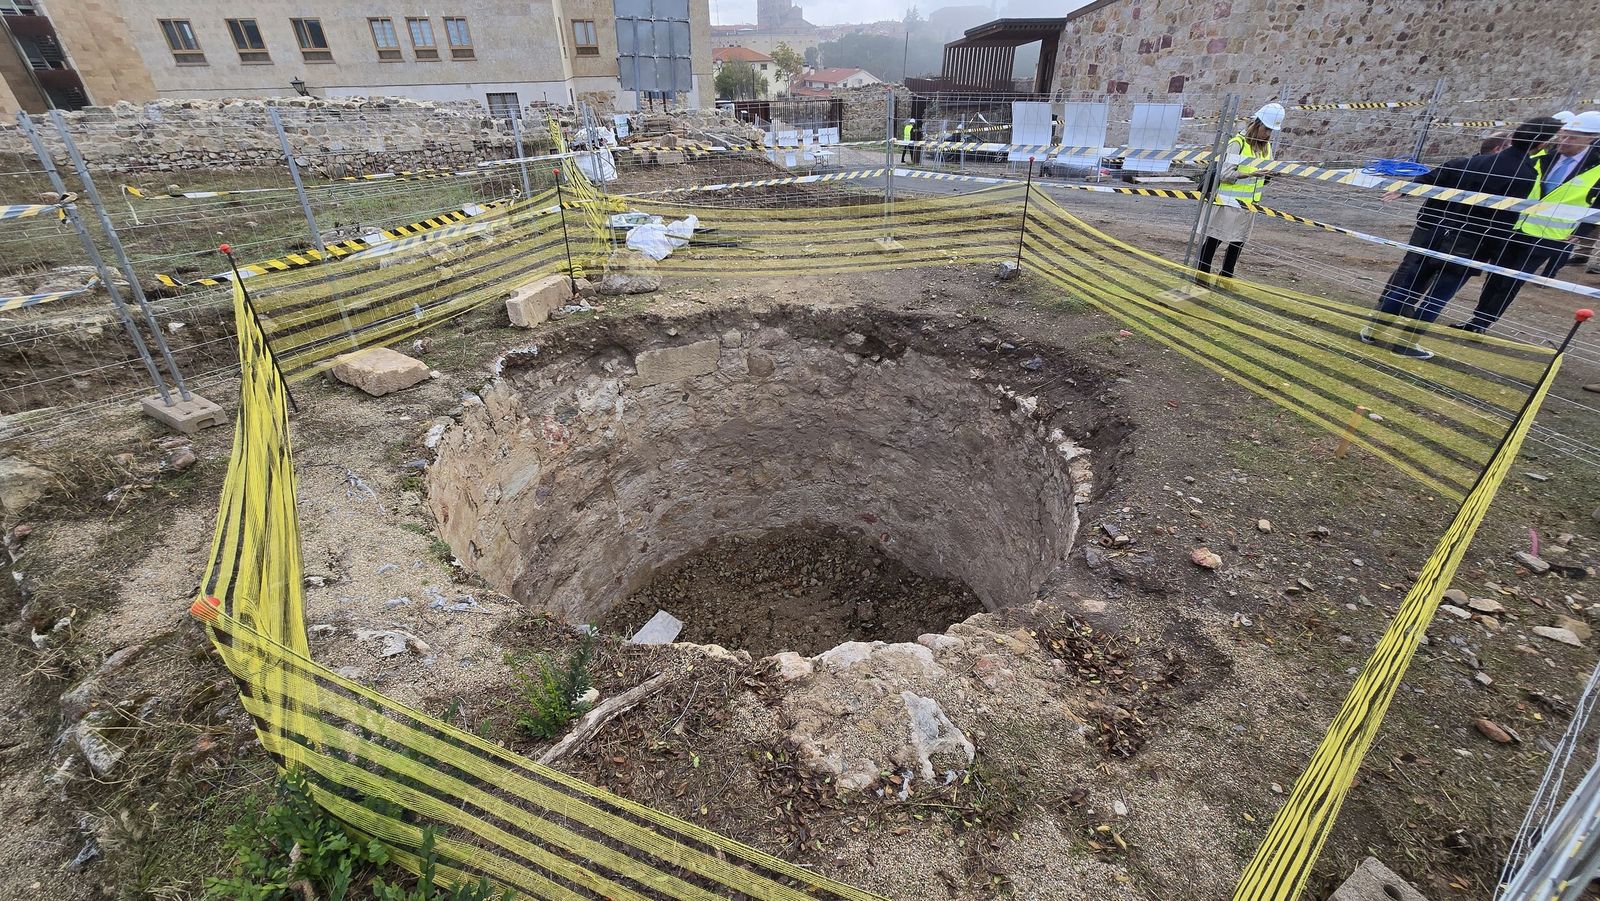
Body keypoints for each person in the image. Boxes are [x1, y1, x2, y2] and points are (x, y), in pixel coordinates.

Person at [1360, 116, 1561, 358]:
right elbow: (1504, 220)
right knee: (1437, 296)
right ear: (1541, 145)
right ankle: (1405, 344)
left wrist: (1405, 189)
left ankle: (1373, 331)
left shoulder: (1476, 161)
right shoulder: (1525, 175)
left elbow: (1436, 176)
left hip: (1441, 233)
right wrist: (1495, 254)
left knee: (1408, 286)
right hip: (1474, 244)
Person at [1457, 110, 1600, 333]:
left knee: (1511, 281)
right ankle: (1478, 317)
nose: (1564, 140)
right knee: (1496, 275)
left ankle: (1481, 322)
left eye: (1573, 137)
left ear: (1591, 139)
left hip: (1550, 235)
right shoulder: (1541, 157)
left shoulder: (1596, 170)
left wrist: (1583, 230)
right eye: (1563, 135)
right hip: (1515, 227)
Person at [1196, 103, 1284, 279]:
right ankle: (1201, 275)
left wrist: (1268, 175)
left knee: (1238, 242)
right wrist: (1251, 174)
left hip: (1248, 205)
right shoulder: (1237, 143)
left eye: (1270, 131)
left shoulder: (1265, 147)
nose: (1268, 134)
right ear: (1257, 125)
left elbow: (1263, 175)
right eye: (1266, 130)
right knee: (1215, 239)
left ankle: (1226, 275)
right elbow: (1225, 173)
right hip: (1227, 202)